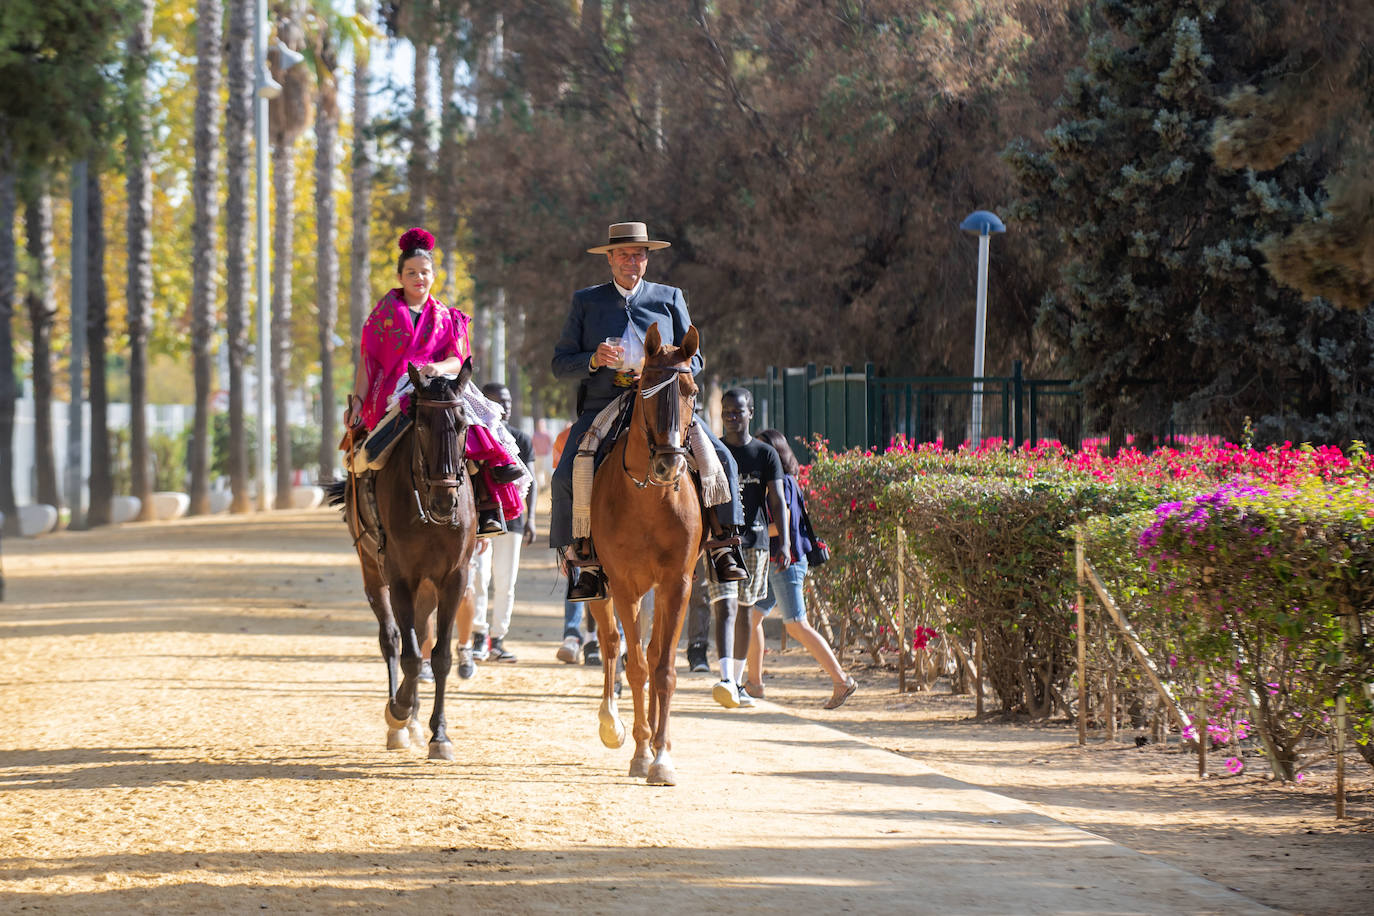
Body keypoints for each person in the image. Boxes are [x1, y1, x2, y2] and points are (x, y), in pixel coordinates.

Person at [549, 221, 747, 601]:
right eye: (623, 254)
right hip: (606, 403)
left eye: (638, 254)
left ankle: (725, 544)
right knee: (566, 471)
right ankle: (583, 559)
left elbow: (697, 358)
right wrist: (593, 359)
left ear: (647, 259)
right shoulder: (586, 301)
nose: (631, 261)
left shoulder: (669, 297)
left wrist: (670, 364)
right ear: (609, 259)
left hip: (664, 401)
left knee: (721, 458)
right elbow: (560, 363)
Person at [345, 227, 527, 538]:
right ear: (400, 276)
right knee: (383, 439)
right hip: (397, 388)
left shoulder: (447, 316)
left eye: (424, 272)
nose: (419, 278)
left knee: (471, 420)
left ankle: (487, 503)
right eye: (411, 272)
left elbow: (459, 358)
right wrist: (358, 403)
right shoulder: (381, 316)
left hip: (440, 382)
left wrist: (436, 367)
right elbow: (368, 363)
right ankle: (371, 494)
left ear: (433, 275)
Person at [744, 429, 857, 710]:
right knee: (751, 619)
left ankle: (842, 680)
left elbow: (785, 524)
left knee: (796, 624)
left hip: (787, 562)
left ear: (775, 454)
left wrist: (748, 533)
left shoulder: (782, 483)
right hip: (775, 563)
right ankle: (754, 685)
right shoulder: (775, 481)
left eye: (762, 450)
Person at [708, 388, 790, 709]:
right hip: (720, 543)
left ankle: (738, 682)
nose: (731, 416)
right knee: (724, 606)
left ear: (750, 413)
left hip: (755, 543)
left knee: (745, 610)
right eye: (726, 410)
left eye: (738, 411)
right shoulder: (713, 451)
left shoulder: (765, 454)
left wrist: (782, 542)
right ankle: (726, 679)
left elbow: (778, 500)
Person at [470, 382, 538, 664]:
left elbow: (531, 481)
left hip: (514, 520)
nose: (507, 406)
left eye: (509, 401)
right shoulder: (477, 436)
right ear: (487, 403)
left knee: (506, 581)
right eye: (501, 400)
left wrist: (531, 518)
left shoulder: (521, 439)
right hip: (483, 519)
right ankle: (477, 636)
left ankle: (497, 639)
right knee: (479, 578)